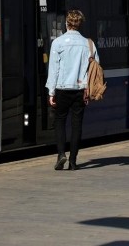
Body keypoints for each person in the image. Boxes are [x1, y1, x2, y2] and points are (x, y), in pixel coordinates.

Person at [45, 9, 98, 171]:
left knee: (59, 122)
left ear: (66, 23)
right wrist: (88, 89)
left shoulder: (58, 43)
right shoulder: (89, 44)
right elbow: (94, 70)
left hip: (62, 88)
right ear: (80, 24)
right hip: (80, 90)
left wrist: (51, 92)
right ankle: (73, 161)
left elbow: (53, 69)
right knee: (77, 125)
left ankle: (61, 154)